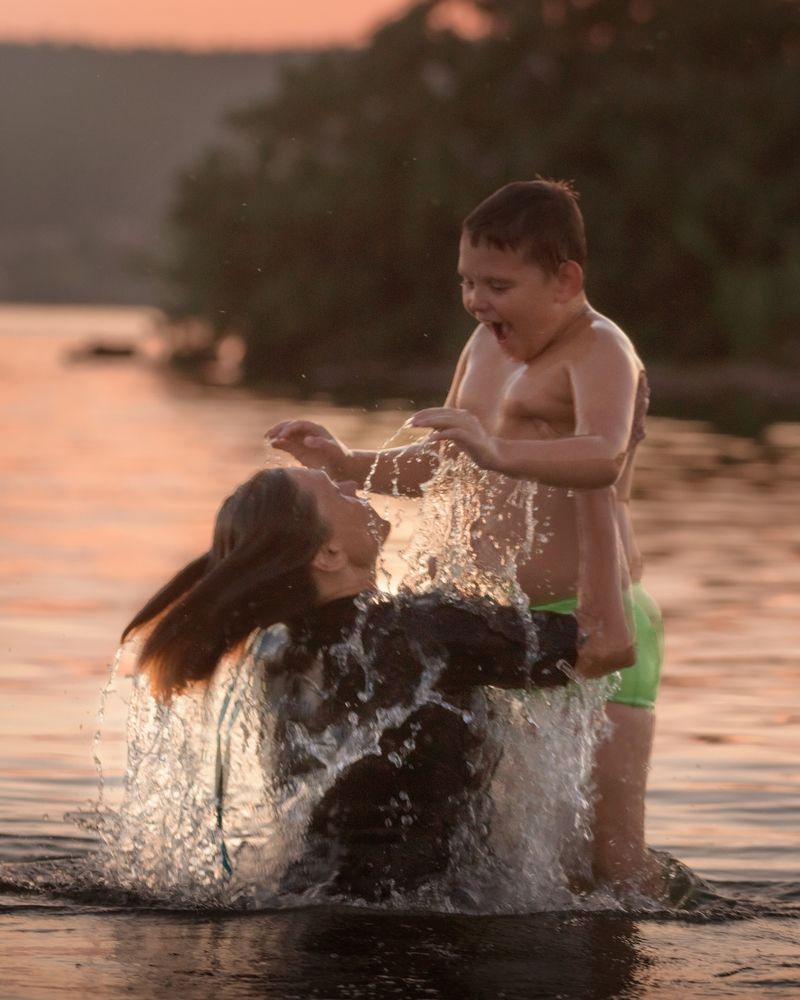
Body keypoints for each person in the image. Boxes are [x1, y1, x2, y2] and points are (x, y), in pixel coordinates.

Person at [266, 179, 663, 894]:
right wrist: (348, 461)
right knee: (508, 855)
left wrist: (498, 452)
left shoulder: (602, 350)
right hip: (502, 629)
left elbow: (603, 455)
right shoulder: (484, 345)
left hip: (592, 624)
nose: (478, 302)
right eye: (467, 283)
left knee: (610, 859)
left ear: (565, 279)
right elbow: (446, 460)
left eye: (499, 285)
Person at [121, 466, 632, 901]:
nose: (356, 489)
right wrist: (599, 492)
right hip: (418, 922)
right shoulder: (423, 629)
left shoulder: (281, 650)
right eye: (338, 492)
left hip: (311, 905)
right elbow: (607, 644)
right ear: (328, 554)